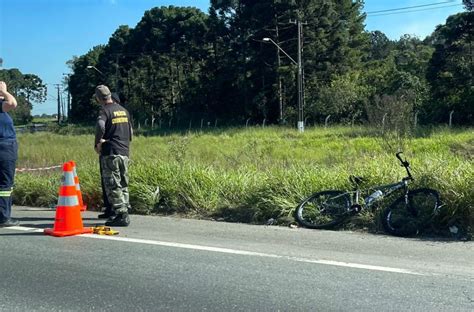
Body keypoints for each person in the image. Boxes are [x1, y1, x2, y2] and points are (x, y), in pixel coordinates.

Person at [94, 85, 132, 226]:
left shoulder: (105, 111)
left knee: (112, 184)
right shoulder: (123, 110)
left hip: (111, 152)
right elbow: (131, 131)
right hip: (124, 151)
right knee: (123, 183)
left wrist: (98, 142)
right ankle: (124, 209)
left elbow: (100, 125)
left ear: (98, 98)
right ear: (110, 95)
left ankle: (121, 215)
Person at [0, 81, 20, 227]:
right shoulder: (2, 105)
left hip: (5, 145)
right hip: (5, 146)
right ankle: (3, 217)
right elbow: (12, 103)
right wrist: (4, 91)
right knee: (5, 184)